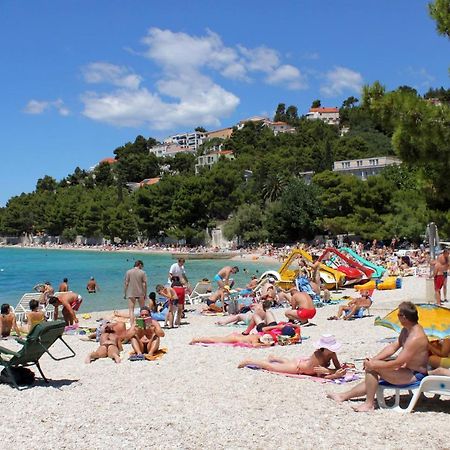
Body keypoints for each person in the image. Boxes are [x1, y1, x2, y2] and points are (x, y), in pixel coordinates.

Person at [327, 301, 429, 412]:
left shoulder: (416, 337)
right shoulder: (407, 330)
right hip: (406, 370)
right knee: (373, 366)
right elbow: (392, 347)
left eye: (398, 315)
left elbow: (398, 362)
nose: (397, 318)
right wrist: (374, 359)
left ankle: (369, 404)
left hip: (415, 375)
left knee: (372, 368)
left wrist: (374, 364)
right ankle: (343, 396)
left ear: (403, 317)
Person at [237, 334, 345, 379]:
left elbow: (337, 368)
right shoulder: (318, 356)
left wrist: (332, 371)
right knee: (271, 367)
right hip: (298, 368)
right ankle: (249, 361)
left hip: (302, 365)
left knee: (287, 362)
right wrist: (332, 373)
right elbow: (321, 375)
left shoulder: (332, 354)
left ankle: (275, 358)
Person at [124, 260, 147, 326]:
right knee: (143, 309)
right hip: (140, 293)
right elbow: (144, 284)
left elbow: (126, 283)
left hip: (131, 293)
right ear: (139, 265)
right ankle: (143, 324)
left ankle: (132, 325)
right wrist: (145, 293)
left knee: (131, 310)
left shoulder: (128, 272)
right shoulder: (143, 272)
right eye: (142, 266)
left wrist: (125, 293)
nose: (142, 267)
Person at [190, 332, 275, 347]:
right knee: (215, 340)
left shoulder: (257, 336)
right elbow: (254, 345)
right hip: (234, 338)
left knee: (217, 338)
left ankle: (198, 339)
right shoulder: (255, 339)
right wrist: (265, 345)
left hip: (235, 336)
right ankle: (196, 339)